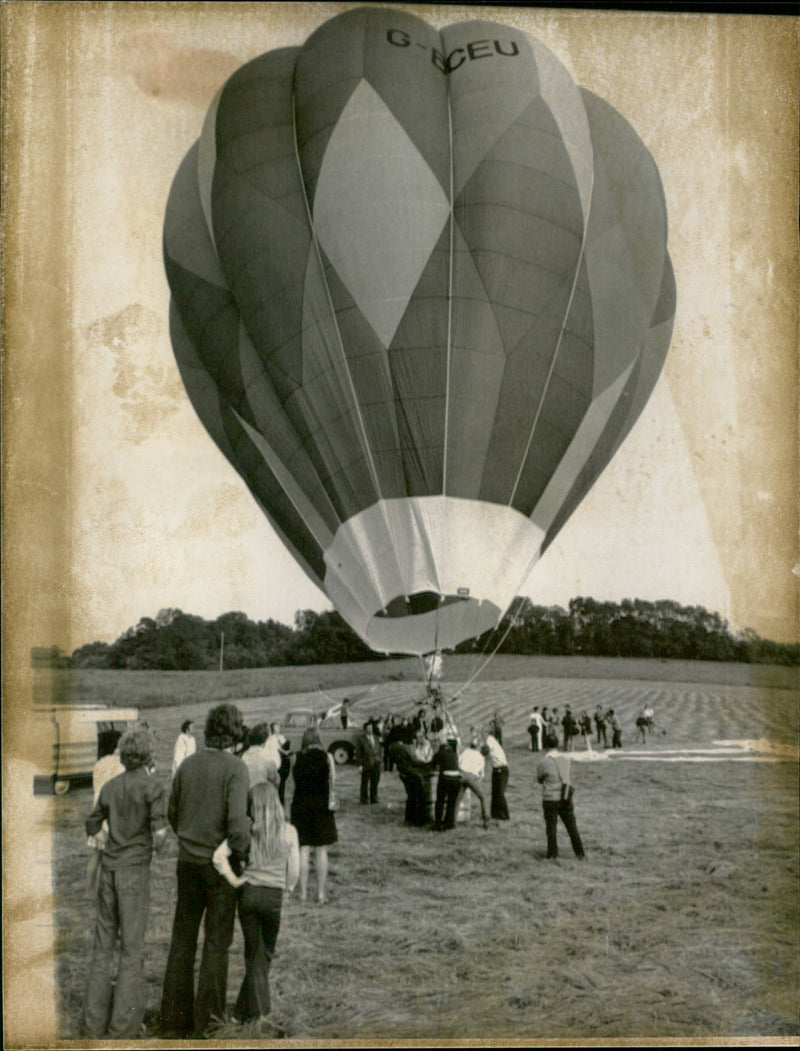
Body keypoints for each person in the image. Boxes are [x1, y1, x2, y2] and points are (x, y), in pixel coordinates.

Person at [158, 704, 251, 1039]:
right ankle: (208, 1024)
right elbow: (238, 826)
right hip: (219, 868)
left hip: (187, 863)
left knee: (182, 940)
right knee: (216, 943)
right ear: (236, 732)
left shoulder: (187, 765)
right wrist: (242, 853)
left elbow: (173, 812)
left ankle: (172, 1021)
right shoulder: (236, 769)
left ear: (209, 730)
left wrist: (191, 835)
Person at [82, 728, 167, 1038]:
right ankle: (123, 1028)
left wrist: (107, 838)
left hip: (109, 870)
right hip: (134, 873)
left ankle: (92, 1024)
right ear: (147, 756)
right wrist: (154, 843)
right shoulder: (153, 787)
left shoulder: (110, 786)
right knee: (132, 950)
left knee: (102, 948)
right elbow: (159, 837)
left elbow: (92, 823)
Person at [221, 778, 300, 1025]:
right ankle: (262, 1012)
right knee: (263, 954)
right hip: (273, 895)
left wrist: (234, 880)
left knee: (255, 954)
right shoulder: (289, 831)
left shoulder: (247, 832)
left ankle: (240, 1013)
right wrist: (288, 886)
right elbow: (295, 867)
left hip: (249, 893)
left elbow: (218, 856)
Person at [290, 728, 337, 904]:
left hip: (301, 806)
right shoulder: (328, 757)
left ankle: (302, 894)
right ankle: (320, 894)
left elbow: (291, 783)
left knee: (303, 850)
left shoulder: (295, 757)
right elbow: (333, 782)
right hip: (321, 807)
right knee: (321, 849)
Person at [86, 729, 125, 895]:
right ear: (117, 745)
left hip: (97, 812)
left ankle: (89, 890)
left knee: (96, 854)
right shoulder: (121, 764)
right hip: (112, 813)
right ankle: (110, 891)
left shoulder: (98, 764)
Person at [536, 745, 585, 860]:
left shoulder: (544, 761)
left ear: (546, 747)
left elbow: (539, 779)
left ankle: (552, 854)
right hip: (565, 798)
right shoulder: (565, 759)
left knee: (551, 828)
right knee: (572, 827)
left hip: (550, 798)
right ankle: (580, 853)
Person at [388, 740, 433, 826]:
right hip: (410, 776)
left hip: (408, 775)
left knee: (412, 797)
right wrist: (418, 773)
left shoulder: (400, 752)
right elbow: (409, 766)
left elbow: (412, 763)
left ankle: (411, 820)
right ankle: (419, 820)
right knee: (418, 796)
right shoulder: (401, 751)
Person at [455, 733, 489, 828]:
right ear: (478, 746)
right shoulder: (481, 757)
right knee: (483, 798)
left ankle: (453, 822)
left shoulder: (465, 752)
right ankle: (486, 820)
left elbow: (458, 763)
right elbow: (481, 775)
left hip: (462, 775)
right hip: (472, 777)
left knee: (458, 799)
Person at [432, 735, 462, 831]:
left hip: (446, 778)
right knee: (451, 802)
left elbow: (432, 765)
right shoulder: (454, 755)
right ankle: (449, 824)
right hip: (456, 779)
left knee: (440, 801)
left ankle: (438, 824)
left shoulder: (441, 753)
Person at [483, 731, 510, 821]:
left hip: (501, 769)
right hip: (497, 768)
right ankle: (495, 815)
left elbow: (485, 751)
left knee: (500, 793)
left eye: (484, 733)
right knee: (495, 793)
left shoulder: (489, 740)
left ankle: (506, 816)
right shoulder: (492, 741)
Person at [264, 722, 291, 805]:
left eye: (278, 726)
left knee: (281, 782)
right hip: (276, 762)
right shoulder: (271, 738)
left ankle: (280, 800)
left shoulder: (281, 737)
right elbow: (279, 749)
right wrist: (285, 752)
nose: (278, 728)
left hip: (282, 761)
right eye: (276, 727)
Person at [355, 718, 382, 804]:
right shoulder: (361, 739)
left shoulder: (376, 737)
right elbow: (358, 753)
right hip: (366, 764)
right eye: (368, 728)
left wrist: (380, 759)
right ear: (365, 729)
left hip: (376, 763)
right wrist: (359, 765)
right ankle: (364, 799)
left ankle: (374, 798)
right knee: (365, 783)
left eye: (371, 728)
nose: (370, 730)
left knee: (375, 782)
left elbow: (379, 749)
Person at [240, 723, 273, 787]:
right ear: (264, 741)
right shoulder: (267, 757)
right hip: (261, 792)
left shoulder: (243, 755)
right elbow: (276, 780)